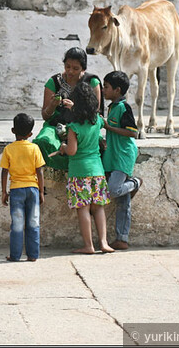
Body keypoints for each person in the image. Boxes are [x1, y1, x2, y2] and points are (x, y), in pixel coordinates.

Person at [63, 81, 113, 254]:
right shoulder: (98, 121)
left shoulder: (74, 127)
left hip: (79, 172)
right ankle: (104, 243)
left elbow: (72, 150)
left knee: (83, 208)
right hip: (97, 171)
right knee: (98, 208)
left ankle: (88, 245)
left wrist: (62, 148)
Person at [34, 47, 102, 170]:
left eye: (76, 68)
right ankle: (51, 177)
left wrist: (75, 109)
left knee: (97, 143)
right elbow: (45, 116)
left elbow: (95, 113)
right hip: (56, 125)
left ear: (83, 68)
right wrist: (52, 105)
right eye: (67, 66)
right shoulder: (54, 82)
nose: (70, 71)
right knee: (43, 141)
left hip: (82, 124)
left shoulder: (91, 82)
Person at [101, 71, 142, 250]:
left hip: (123, 156)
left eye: (106, 87)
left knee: (113, 190)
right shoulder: (112, 107)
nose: (103, 90)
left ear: (117, 90)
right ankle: (122, 238)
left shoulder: (124, 108)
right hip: (113, 155)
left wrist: (109, 127)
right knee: (123, 200)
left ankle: (136, 183)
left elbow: (133, 132)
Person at [0, 113, 46, 262]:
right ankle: (33, 255)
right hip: (32, 189)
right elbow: (40, 171)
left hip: (16, 190)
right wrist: (41, 191)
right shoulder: (34, 148)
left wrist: (3, 192)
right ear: (30, 134)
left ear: (13, 130)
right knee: (33, 222)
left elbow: (4, 171)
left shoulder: (9, 149)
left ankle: (15, 255)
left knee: (17, 224)